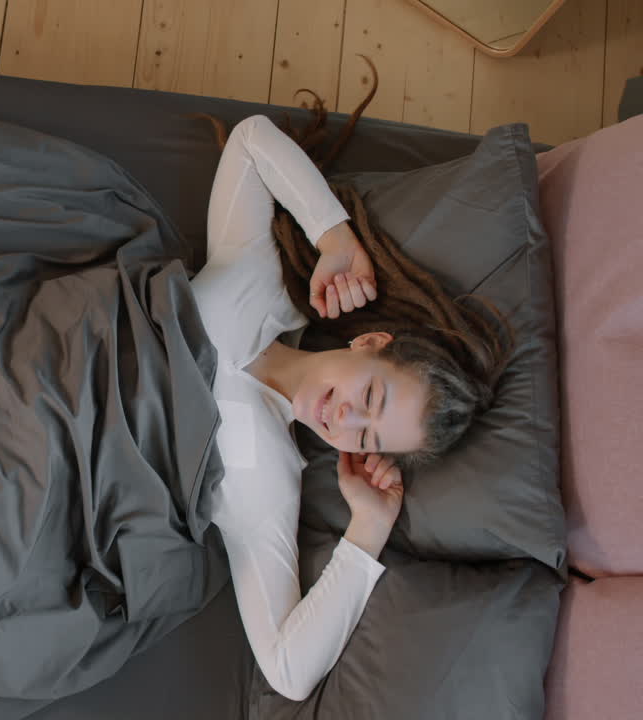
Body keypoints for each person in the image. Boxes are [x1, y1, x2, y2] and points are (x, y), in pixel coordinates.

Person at [191, 105, 510, 701]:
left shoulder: (270, 485)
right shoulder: (258, 280)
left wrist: (368, 528)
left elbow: (288, 673)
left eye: (365, 436)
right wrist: (333, 235)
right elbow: (250, 140)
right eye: (370, 395)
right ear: (368, 342)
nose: (345, 418)